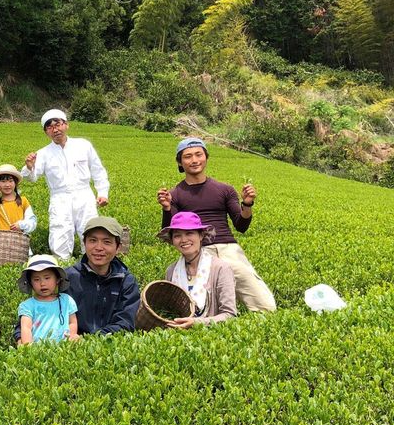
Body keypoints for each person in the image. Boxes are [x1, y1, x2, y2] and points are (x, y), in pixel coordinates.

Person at [157, 137, 276, 312]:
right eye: (188, 156)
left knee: (265, 306)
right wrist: (167, 208)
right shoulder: (175, 194)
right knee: (201, 308)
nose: (194, 160)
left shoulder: (225, 189)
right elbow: (172, 231)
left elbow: (241, 225)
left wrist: (248, 203)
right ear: (180, 162)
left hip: (228, 248)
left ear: (206, 157)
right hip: (198, 250)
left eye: (199, 154)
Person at [21, 109, 109, 260]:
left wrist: (102, 193)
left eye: (58, 124)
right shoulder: (43, 153)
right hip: (60, 197)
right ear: (46, 132)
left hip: (84, 195)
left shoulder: (83, 145)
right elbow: (32, 177)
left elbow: (98, 170)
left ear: (66, 125)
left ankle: (92, 263)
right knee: (60, 231)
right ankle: (62, 266)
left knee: (90, 229)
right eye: (49, 127)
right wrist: (29, 166)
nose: (55, 130)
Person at [63, 216, 140, 335]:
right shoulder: (67, 277)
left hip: (110, 345)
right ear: (84, 243)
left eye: (107, 242)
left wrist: (94, 339)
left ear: (118, 247)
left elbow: (126, 322)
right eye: (93, 240)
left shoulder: (126, 281)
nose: (99, 248)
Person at [158, 211, 237, 327]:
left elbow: (230, 315)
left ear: (201, 236)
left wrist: (197, 323)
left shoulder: (220, 268)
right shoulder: (171, 271)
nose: (184, 240)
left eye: (189, 233)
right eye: (177, 235)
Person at [16, 254, 79, 344]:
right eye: (36, 279)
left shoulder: (67, 301)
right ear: (30, 283)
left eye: (47, 278)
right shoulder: (27, 306)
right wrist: (27, 349)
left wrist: (72, 336)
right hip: (38, 350)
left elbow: (72, 322)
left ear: (57, 279)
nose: (42, 283)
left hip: (63, 349)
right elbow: (26, 328)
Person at [0, 164, 37, 234]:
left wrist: (21, 225)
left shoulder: (23, 201)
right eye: (3, 181)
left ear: (15, 183)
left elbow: (32, 221)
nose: (7, 185)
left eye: (10, 181)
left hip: (19, 241)